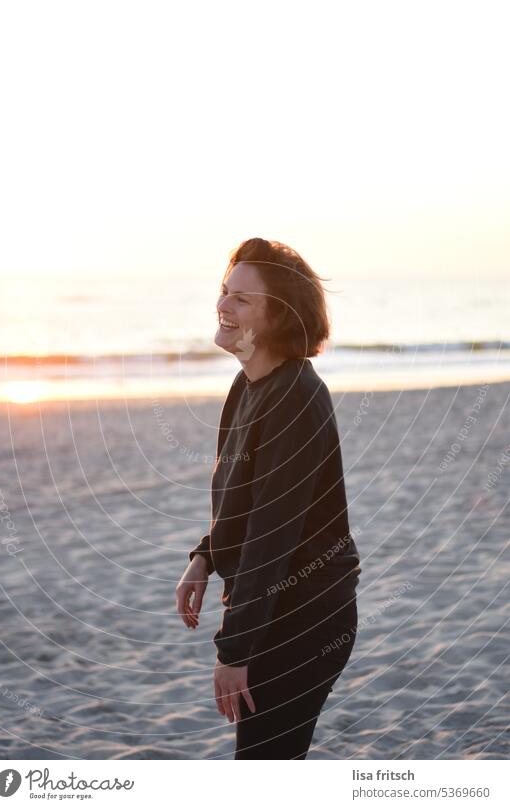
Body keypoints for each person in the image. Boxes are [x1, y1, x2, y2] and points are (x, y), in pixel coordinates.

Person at [176, 237, 361, 759]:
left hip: (305, 618)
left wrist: (234, 651)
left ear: (278, 317)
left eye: (240, 299)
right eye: (223, 292)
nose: (222, 305)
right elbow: (241, 501)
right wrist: (206, 557)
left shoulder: (297, 398)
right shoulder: (248, 385)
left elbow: (271, 536)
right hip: (272, 612)